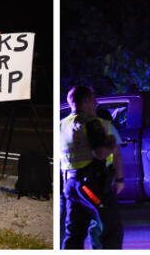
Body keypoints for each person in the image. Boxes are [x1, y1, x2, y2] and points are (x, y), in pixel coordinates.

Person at [59, 85, 124, 250]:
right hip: (92, 185)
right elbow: (101, 153)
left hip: (70, 185)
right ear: (86, 100)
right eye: (94, 99)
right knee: (111, 230)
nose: (96, 103)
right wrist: (111, 143)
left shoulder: (62, 125)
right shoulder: (90, 122)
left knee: (73, 234)